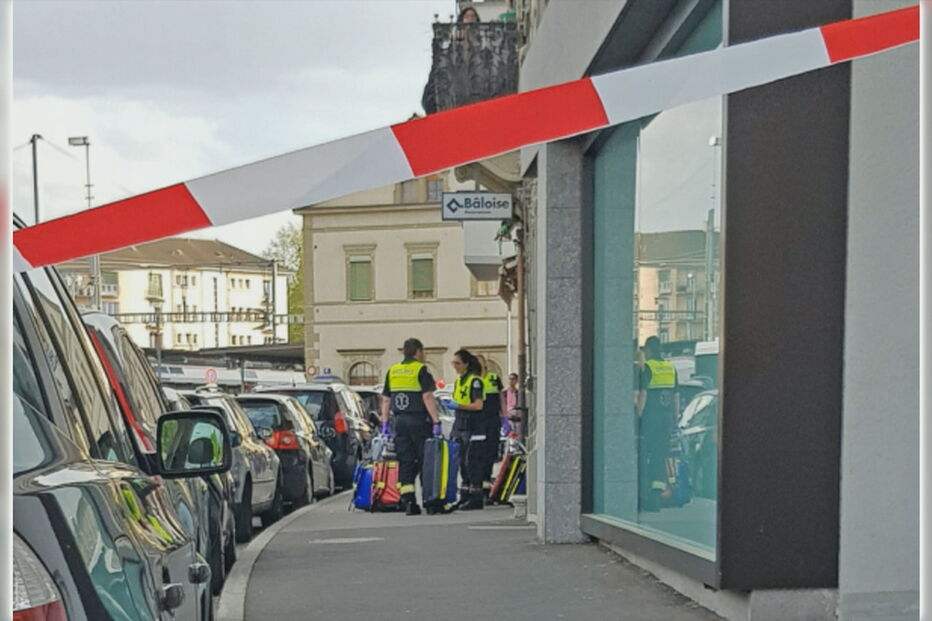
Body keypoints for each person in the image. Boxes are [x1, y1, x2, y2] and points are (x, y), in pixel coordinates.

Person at [380, 338, 442, 516]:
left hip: (400, 422)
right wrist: (436, 421)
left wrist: (385, 423)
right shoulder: (421, 370)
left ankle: (409, 502)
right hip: (419, 421)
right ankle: (429, 501)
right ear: (418, 352)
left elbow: (385, 399)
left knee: (406, 462)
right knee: (425, 461)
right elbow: (428, 397)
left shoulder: (393, 371)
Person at [636, 336, 679, 512]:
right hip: (666, 419)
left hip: (650, 419)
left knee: (644, 455)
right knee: (659, 457)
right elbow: (676, 397)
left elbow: (643, 395)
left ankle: (645, 496)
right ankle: (656, 497)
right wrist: (675, 418)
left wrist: (637, 415)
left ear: (649, 350)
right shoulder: (670, 367)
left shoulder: (647, 367)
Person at [450, 349, 486, 510]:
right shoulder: (459, 381)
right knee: (462, 463)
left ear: (466, 364)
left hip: (474, 426)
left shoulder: (475, 381)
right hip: (461, 424)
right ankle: (465, 496)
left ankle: (476, 497)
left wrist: (459, 406)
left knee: (472, 462)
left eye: (457, 363)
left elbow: (478, 405)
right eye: (453, 363)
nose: (455, 366)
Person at [476, 355, 505, 499]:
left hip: (492, 420)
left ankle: (486, 486)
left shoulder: (493, 378)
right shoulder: (473, 381)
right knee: (478, 454)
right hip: (478, 421)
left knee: (490, 453)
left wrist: (504, 417)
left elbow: (501, 398)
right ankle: (477, 485)